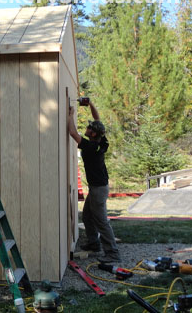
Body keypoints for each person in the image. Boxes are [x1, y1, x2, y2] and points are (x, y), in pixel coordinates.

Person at [67, 99, 121, 264]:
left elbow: (72, 133)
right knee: (88, 216)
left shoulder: (91, 147)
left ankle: (112, 253)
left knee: (101, 220)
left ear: (94, 134)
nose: (87, 128)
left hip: (98, 189)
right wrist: (90, 104)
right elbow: (97, 120)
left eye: (89, 128)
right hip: (98, 187)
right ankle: (94, 243)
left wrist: (70, 115)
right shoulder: (101, 141)